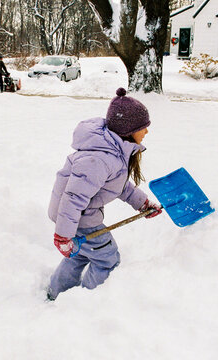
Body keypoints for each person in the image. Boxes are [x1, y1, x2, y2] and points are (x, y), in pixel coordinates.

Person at [47, 87, 162, 301]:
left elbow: (117, 185)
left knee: (78, 255)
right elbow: (73, 198)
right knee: (107, 259)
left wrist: (142, 204)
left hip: (75, 219)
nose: (146, 132)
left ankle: (55, 293)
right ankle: (89, 303)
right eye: (143, 127)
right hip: (78, 218)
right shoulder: (100, 159)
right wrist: (63, 235)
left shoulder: (111, 152)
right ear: (128, 130)